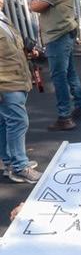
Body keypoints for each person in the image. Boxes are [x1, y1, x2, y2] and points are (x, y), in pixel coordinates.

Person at [28, 0, 81, 132]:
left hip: (57, 36)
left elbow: (36, 7)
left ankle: (65, 116)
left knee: (59, 77)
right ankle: (80, 107)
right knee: (69, 73)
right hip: (63, 33)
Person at [0, 11, 38, 183]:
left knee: (6, 123)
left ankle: (10, 162)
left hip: (16, 79)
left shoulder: (3, 18)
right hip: (6, 83)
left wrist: (27, 52)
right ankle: (20, 167)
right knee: (18, 122)